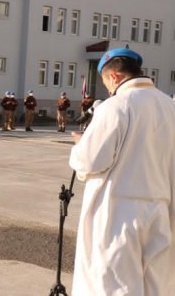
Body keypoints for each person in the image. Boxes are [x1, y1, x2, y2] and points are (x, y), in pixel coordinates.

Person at [69, 47, 175, 296]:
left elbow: (91, 160)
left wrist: (79, 146)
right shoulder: (169, 106)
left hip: (118, 211)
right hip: (160, 207)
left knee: (115, 285)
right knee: (156, 285)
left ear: (114, 77)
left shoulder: (116, 106)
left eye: (106, 82)